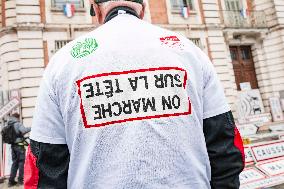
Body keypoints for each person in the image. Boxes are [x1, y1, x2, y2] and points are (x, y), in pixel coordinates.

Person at [24, 0, 244, 188]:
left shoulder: (62, 62)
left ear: (96, 10)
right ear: (143, 9)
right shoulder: (189, 52)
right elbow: (225, 148)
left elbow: (44, 166)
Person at [8, 113, 30, 187]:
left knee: (14, 163)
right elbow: (23, 131)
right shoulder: (18, 124)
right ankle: (21, 180)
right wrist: (32, 128)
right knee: (21, 163)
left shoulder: (9, 124)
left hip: (12, 146)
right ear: (18, 117)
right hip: (19, 146)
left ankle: (11, 181)